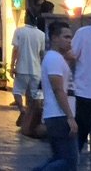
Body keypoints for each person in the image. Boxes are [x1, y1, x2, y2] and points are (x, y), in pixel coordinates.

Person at [35, 20, 78, 171]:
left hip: (56, 115)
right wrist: (70, 117)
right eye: (66, 37)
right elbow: (58, 89)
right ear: (54, 38)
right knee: (69, 161)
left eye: (70, 37)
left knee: (59, 157)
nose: (69, 41)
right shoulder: (53, 58)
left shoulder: (57, 58)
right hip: (59, 116)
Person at [12, 13, 47, 124]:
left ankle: (22, 110)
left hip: (21, 68)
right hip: (36, 69)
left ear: (26, 19)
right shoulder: (41, 34)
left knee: (17, 91)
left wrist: (12, 65)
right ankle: (31, 117)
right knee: (34, 94)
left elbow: (15, 50)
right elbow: (42, 53)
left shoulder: (19, 31)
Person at [71, 16, 91, 155]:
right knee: (82, 128)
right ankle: (72, 158)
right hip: (85, 91)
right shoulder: (83, 33)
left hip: (85, 89)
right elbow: (72, 55)